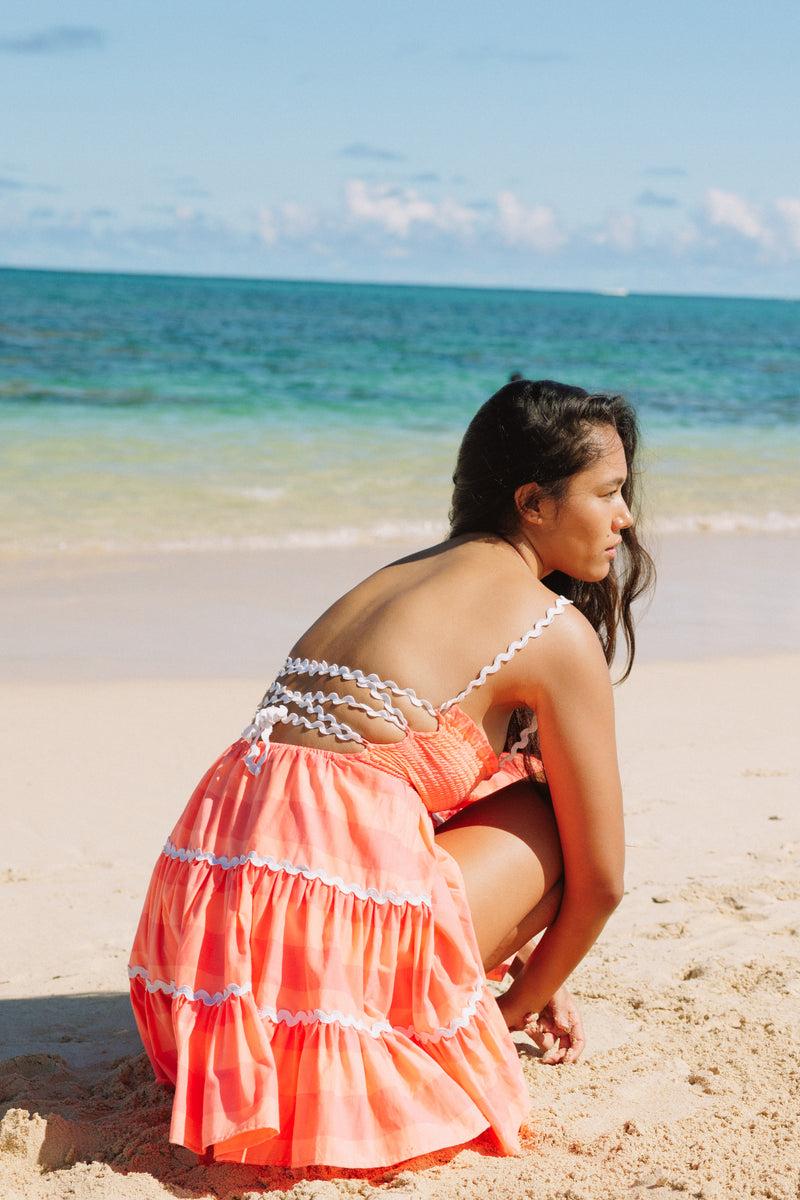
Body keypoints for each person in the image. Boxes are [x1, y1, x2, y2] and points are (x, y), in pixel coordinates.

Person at [128, 378, 654, 1170]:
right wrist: (517, 1000)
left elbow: (360, 806)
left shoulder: (399, 575)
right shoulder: (551, 629)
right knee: (552, 812)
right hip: (313, 974)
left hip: (195, 972)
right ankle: (460, 1000)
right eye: (609, 493)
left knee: (470, 793)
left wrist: (522, 955)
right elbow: (603, 880)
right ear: (533, 503)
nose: (627, 518)